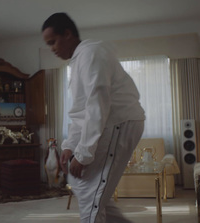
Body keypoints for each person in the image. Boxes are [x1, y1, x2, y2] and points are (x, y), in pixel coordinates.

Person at [41, 12, 146, 223]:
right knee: (84, 185)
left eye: (53, 42)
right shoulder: (78, 61)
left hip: (119, 121)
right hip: (112, 121)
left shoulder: (91, 53)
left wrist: (84, 153)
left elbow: (98, 103)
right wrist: (70, 146)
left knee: (91, 193)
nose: (51, 49)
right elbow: (81, 110)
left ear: (68, 33)